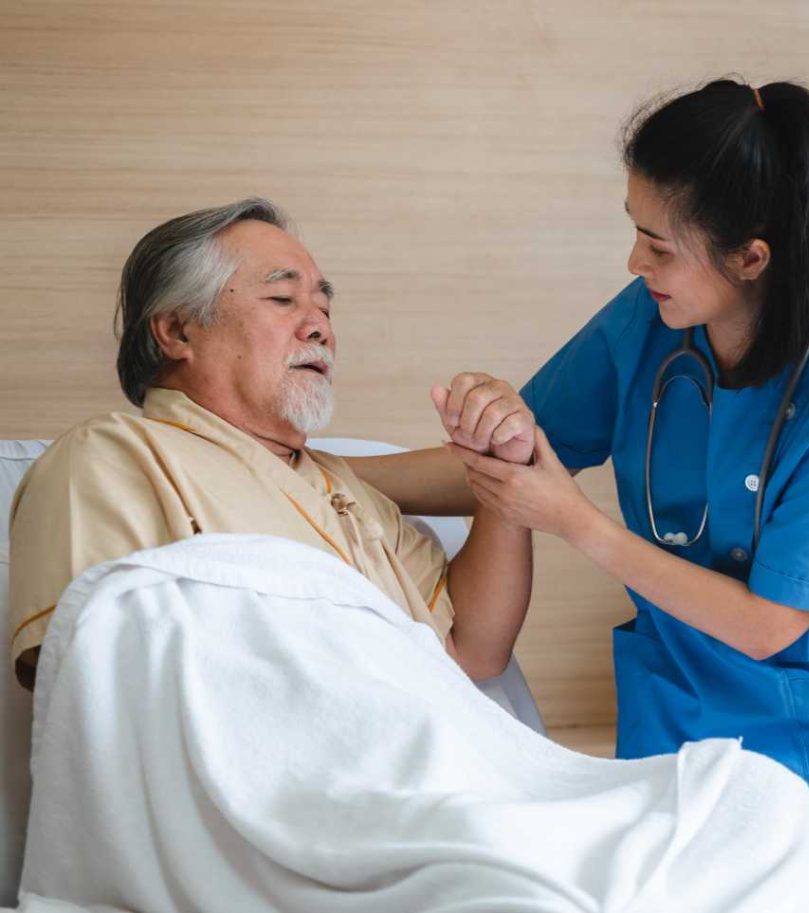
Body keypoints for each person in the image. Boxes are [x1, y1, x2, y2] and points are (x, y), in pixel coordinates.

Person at [351, 79, 809, 913]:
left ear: (750, 256)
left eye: (656, 243)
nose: (634, 262)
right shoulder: (653, 322)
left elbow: (770, 621)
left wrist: (576, 522)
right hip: (682, 711)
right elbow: (510, 464)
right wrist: (313, 467)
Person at [8, 198, 532, 692]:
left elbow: (473, 651)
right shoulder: (111, 458)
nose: (319, 327)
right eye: (282, 299)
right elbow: (87, 678)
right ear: (176, 331)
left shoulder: (343, 490)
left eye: (324, 307)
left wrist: (505, 468)